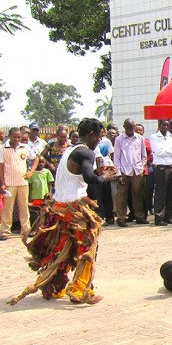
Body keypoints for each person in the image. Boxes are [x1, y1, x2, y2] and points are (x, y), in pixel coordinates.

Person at [8, 118, 117, 305]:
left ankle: (55, 286)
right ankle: (80, 290)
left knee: (64, 249)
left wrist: (98, 173)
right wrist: (105, 176)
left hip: (59, 208)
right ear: (91, 135)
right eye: (98, 136)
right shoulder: (86, 152)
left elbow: (80, 176)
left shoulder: (71, 150)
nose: (99, 140)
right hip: (73, 209)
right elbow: (91, 179)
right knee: (87, 247)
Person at [0, 128, 39, 241]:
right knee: (8, 208)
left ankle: (26, 230)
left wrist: (31, 171)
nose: (17, 139)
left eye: (19, 137)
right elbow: (1, 167)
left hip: (23, 182)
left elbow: (36, 158)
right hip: (9, 182)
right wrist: (2, 183)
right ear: (9, 136)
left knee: (24, 207)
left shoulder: (25, 147)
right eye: (14, 137)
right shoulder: (3, 148)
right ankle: (5, 231)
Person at [113, 118, 149, 227]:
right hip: (124, 170)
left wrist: (142, 168)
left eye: (131, 127)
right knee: (122, 195)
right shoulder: (119, 139)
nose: (130, 129)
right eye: (127, 127)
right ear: (124, 127)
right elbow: (116, 158)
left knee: (138, 194)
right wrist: (118, 174)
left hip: (137, 170)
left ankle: (139, 216)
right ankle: (121, 217)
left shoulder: (140, 138)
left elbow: (144, 155)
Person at [150, 119, 172, 226]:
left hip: (171, 166)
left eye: (167, 125)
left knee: (170, 193)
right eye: (164, 125)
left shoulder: (170, 137)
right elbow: (158, 152)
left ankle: (168, 216)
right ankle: (159, 217)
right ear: (160, 125)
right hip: (161, 168)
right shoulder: (154, 137)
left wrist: (166, 151)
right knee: (160, 193)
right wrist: (169, 152)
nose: (166, 127)